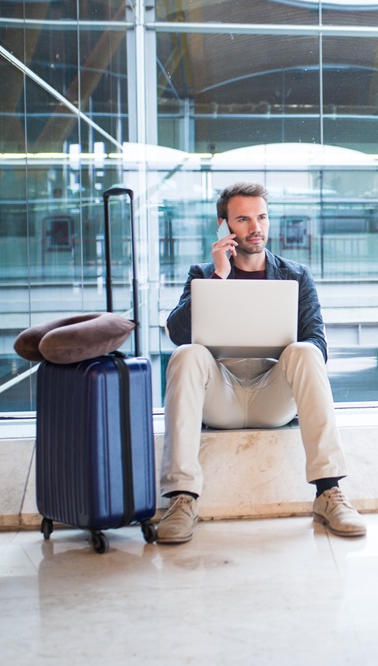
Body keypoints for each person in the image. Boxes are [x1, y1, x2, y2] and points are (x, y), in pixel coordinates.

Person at [156, 182, 366, 544]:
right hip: (221, 398)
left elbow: (318, 346)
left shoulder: (295, 276)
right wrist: (218, 278)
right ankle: (182, 498)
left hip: (273, 396)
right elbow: (177, 333)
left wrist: (282, 345)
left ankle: (328, 492)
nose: (256, 227)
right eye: (243, 219)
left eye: (262, 216)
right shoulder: (203, 274)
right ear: (224, 225)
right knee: (186, 353)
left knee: (305, 351)